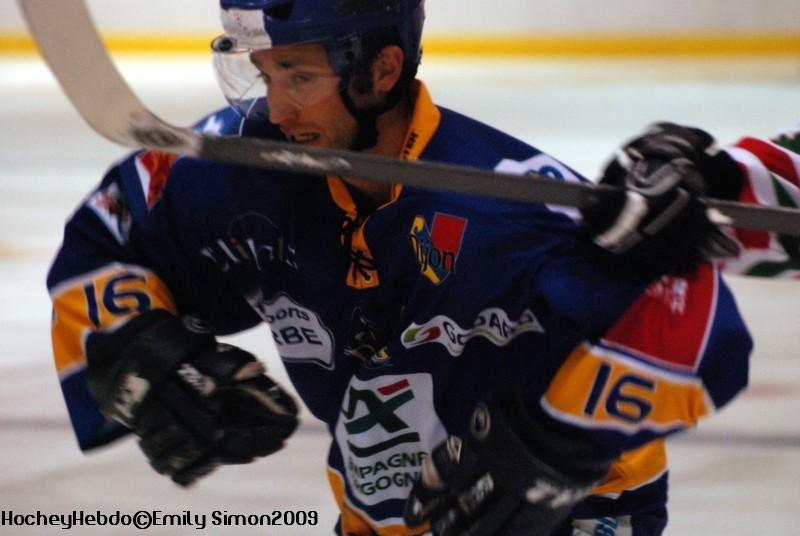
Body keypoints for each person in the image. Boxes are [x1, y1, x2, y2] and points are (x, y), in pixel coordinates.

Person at [45, 1, 799, 534]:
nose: (274, 110)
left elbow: (701, 330)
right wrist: (133, 343)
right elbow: (111, 236)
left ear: (381, 70)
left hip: (572, 520)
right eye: (262, 75)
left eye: (298, 77)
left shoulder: (513, 209)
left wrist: (555, 444)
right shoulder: (243, 173)